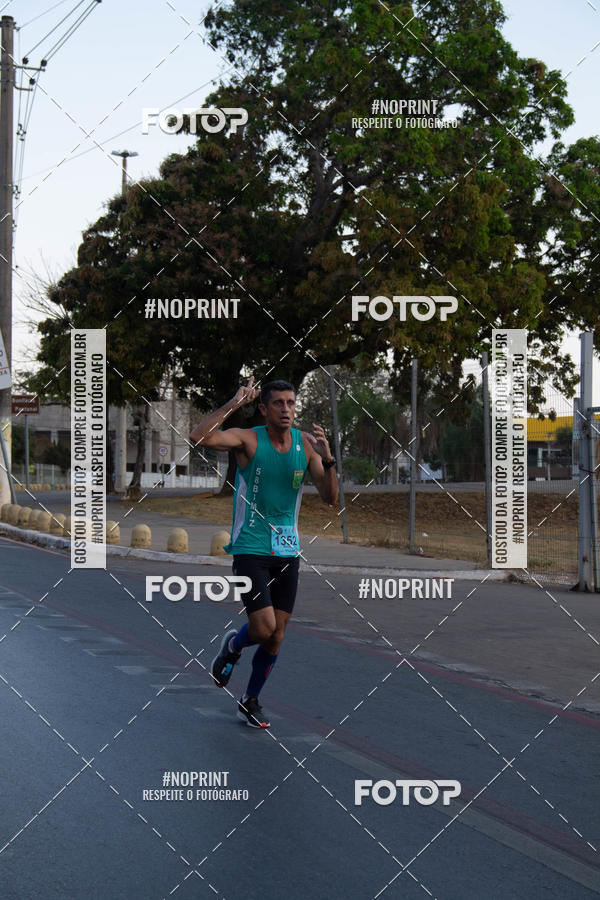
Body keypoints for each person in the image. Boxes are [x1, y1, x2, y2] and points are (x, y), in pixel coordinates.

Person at [190, 377, 338, 727]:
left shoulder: (306, 443)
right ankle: (233, 647)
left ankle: (249, 699)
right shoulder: (248, 439)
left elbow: (331, 498)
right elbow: (199, 437)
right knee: (263, 627)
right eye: (278, 403)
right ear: (264, 408)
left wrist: (328, 459)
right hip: (250, 548)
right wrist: (232, 404)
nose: (286, 409)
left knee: (277, 635)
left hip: (287, 551)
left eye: (291, 403)